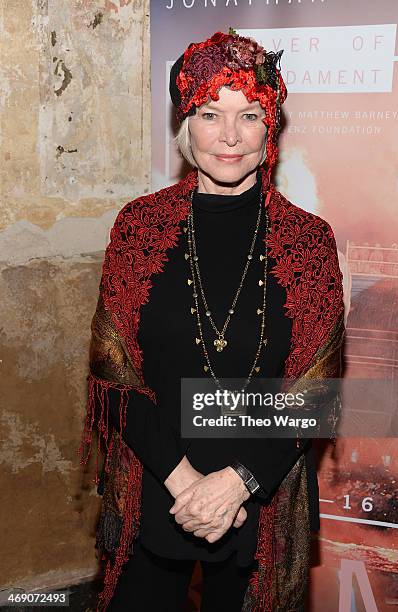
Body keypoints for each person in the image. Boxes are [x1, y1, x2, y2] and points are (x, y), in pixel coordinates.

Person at [78, 29, 345, 612]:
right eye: (209, 113)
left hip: (262, 495)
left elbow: (316, 393)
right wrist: (184, 483)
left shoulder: (309, 241)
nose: (229, 136)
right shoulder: (138, 227)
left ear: (268, 127)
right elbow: (114, 373)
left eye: (248, 114)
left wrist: (235, 482)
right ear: (185, 126)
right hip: (155, 483)